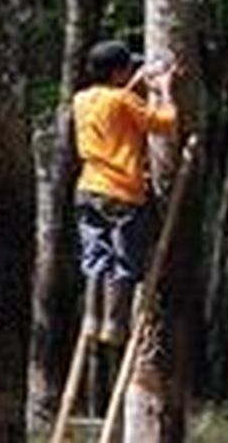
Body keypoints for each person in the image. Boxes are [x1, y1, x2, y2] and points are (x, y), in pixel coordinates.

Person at [73, 39, 179, 345]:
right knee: (123, 260)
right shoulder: (123, 101)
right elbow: (164, 123)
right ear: (118, 73)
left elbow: (114, 105)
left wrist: (135, 83)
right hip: (120, 192)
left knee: (95, 256)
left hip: (88, 188)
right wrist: (165, 90)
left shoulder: (82, 100)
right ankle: (114, 324)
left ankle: (92, 320)